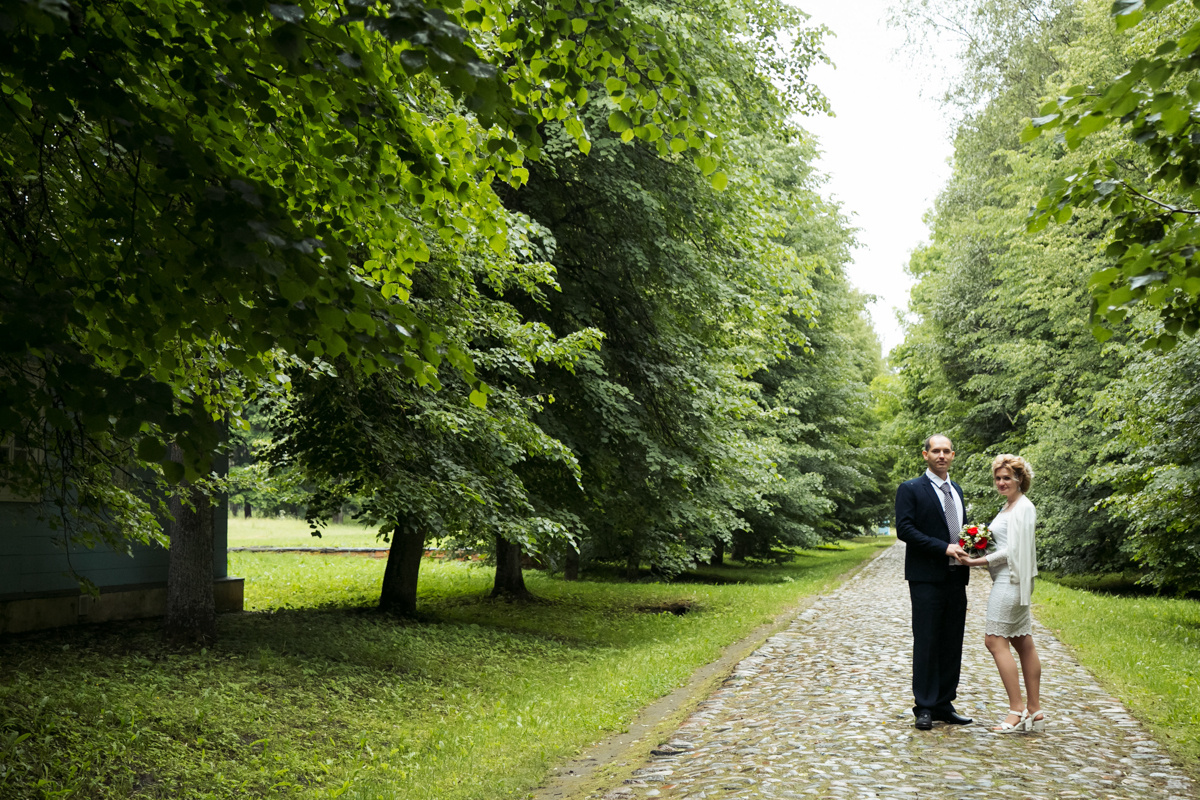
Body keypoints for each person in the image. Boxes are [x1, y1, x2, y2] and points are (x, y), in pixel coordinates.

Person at [956, 454, 1044, 733]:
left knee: (994, 641)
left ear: (1020, 479)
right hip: (1006, 579)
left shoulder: (1023, 508)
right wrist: (977, 545)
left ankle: (1016, 710)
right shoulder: (1009, 506)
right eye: (998, 478)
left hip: (1011, 580)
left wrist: (975, 561)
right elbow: (1001, 544)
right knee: (1022, 641)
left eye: (1007, 477)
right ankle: (1035, 710)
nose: (1002, 482)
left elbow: (1015, 551)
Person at [895, 434, 973, 730]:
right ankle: (924, 706)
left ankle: (944, 703)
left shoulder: (957, 490)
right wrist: (943, 547)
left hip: (957, 575)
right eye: (935, 451)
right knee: (927, 640)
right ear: (925, 454)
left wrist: (973, 546)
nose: (941, 456)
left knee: (952, 641)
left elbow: (958, 529)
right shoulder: (911, 489)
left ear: (953, 455)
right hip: (926, 577)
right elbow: (905, 529)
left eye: (946, 451)